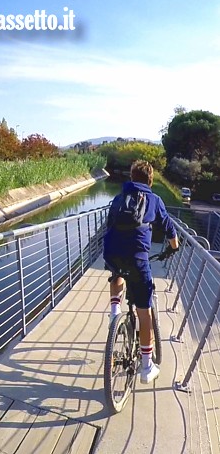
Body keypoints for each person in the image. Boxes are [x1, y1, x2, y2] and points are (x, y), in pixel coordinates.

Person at [103, 160, 179, 384]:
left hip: (111, 252)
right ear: (150, 179)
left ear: (131, 176)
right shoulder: (154, 200)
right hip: (138, 259)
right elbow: (168, 227)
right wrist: (173, 247)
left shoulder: (119, 198)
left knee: (115, 271)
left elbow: (109, 225)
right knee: (144, 313)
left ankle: (115, 310)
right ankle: (147, 367)